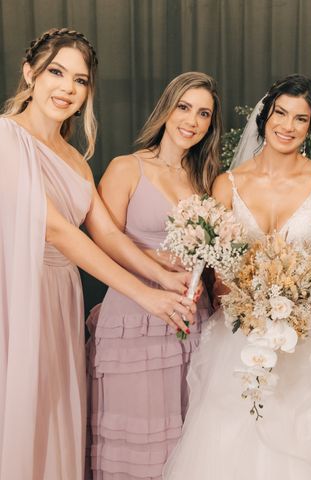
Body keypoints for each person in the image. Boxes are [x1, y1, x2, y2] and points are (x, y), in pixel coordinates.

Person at [163, 74, 311, 479]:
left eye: (300, 119)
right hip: (239, 335)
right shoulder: (227, 184)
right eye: (281, 114)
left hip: (307, 338)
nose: (288, 126)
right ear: (264, 118)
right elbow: (218, 268)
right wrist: (248, 303)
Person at [0, 28, 194, 479]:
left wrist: (163, 276)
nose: (68, 88)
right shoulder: (6, 138)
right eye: (56, 72)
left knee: (53, 409)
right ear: (30, 73)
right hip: (18, 291)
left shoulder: (74, 158)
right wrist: (147, 297)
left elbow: (105, 232)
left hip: (59, 295)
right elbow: (58, 233)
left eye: (81, 80)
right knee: (21, 405)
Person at [86, 72, 221, 479]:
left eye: (203, 114)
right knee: (138, 438)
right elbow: (102, 239)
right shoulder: (127, 168)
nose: (192, 121)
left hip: (190, 319)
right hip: (134, 317)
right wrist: (160, 269)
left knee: (187, 436)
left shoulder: (205, 181)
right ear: (166, 109)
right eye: (184, 107)